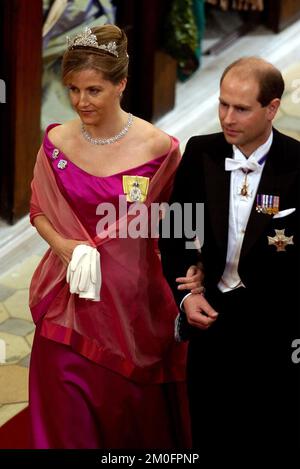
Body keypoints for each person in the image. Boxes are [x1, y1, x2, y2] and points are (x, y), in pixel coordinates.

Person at [28, 24, 201, 449]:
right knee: (63, 416)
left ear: (120, 84)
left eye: (93, 90)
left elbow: (178, 229)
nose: (80, 102)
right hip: (68, 299)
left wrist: (195, 269)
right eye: (73, 90)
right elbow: (39, 212)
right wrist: (65, 246)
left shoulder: (159, 150)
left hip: (132, 307)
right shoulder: (55, 142)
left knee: (129, 423)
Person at [159, 57, 300, 463]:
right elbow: (175, 233)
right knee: (210, 432)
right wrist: (185, 296)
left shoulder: (297, 163)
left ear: (272, 108)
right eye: (223, 104)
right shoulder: (200, 152)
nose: (226, 117)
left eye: (241, 108)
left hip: (278, 332)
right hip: (213, 324)